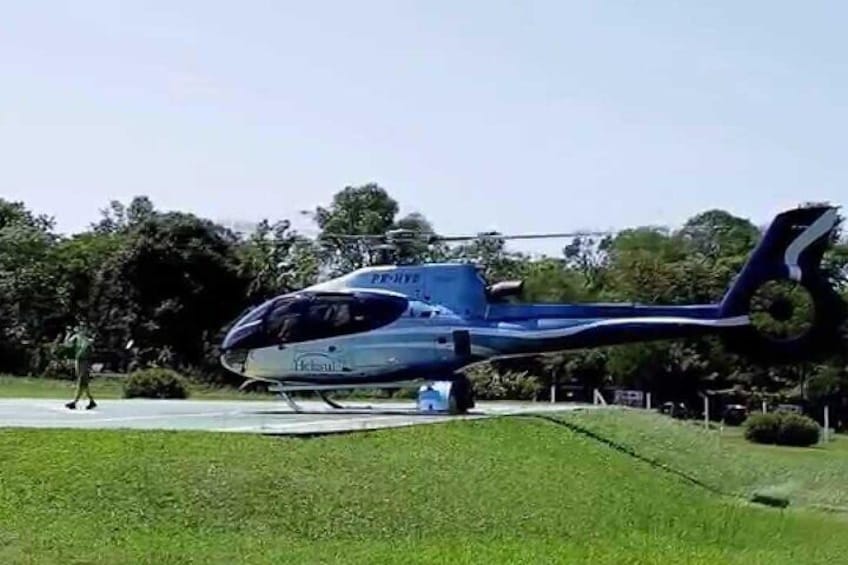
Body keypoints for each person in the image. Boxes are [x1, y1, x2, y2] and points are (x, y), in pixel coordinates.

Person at [64, 323, 97, 410]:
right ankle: (91, 401)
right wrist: (68, 334)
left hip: (85, 361)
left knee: (81, 381)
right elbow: (67, 344)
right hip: (78, 360)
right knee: (83, 382)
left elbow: (88, 343)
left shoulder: (86, 338)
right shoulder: (76, 337)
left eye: (83, 327)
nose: (81, 329)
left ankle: (75, 402)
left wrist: (82, 336)